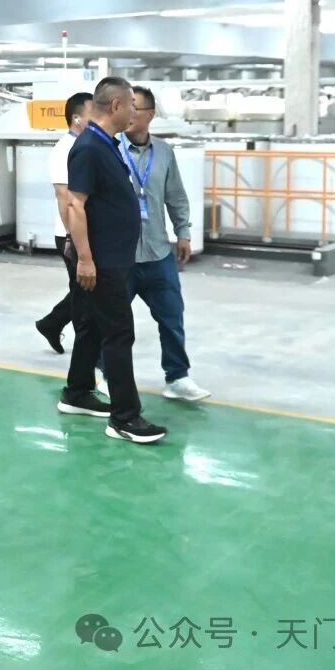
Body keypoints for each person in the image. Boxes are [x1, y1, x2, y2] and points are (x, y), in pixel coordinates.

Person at [60, 77, 167, 444]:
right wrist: (86, 260)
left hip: (112, 256)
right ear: (117, 106)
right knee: (119, 333)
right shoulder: (90, 147)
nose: (135, 112)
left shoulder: (106, 144)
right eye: (132, 105)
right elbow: (76, 205)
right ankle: (125, 417)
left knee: (91, 325)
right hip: (102, 261)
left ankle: (76, 393)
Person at [122, 86, 211, 402]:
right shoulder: (109, 149)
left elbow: (176, 196)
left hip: (158, 252)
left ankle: (177, 377)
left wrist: (183, 233)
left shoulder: (164, 152)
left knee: (172, 317)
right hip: (121, 256)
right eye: (125, 106)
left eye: (135, 107)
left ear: (150, 114)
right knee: (114, 324)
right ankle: (106, 374)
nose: (128, 113)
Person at [35, 92, 92, 355]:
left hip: (85, 231)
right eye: (93, 113)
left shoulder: (88, 146)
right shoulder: (64, 150)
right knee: (84, 294)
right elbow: (63, 196)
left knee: (84, 291)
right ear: (77, 118)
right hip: (71, 233)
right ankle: (86, 352)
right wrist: (72, 237)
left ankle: (52, 324)